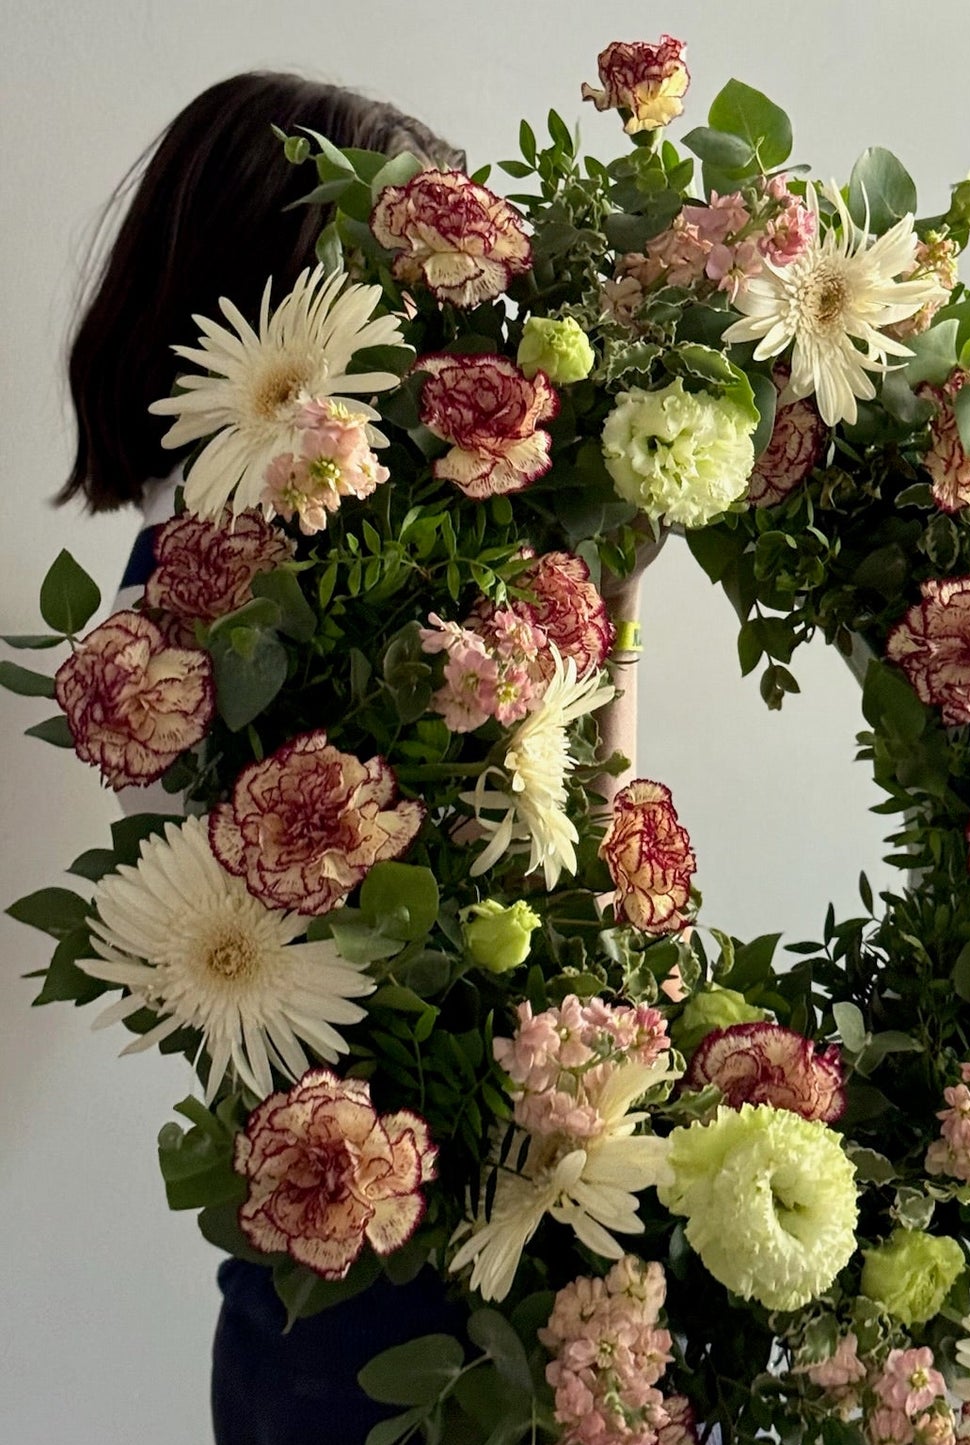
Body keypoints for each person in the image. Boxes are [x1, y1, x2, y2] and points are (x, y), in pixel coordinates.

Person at [60, 73, 468, 1445]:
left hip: (452, 1254)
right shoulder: (172, 631)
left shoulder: (409, 571)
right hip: (364, 1292)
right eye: (392, 278)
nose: (425, 332)